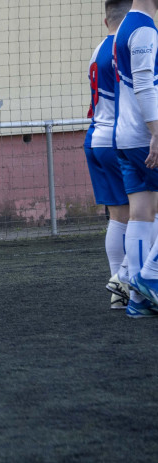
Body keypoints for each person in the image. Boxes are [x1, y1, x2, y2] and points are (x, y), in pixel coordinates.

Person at [85, 0, 132, 310]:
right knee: (146, 213)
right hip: (120, 141)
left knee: (119, 218)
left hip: (95, 138)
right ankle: (128, 279)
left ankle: (121, 290)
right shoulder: (127, 47)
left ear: (106, 21)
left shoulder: (98, 48)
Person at [113, 0, 158, 318]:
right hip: (144, 136)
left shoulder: (123, 27)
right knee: (143, 211)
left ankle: (137, 301)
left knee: (141, 211)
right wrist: (157, 132)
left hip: (125, 135)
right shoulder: (143, 27)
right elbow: (144, 84)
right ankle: (149, 276)